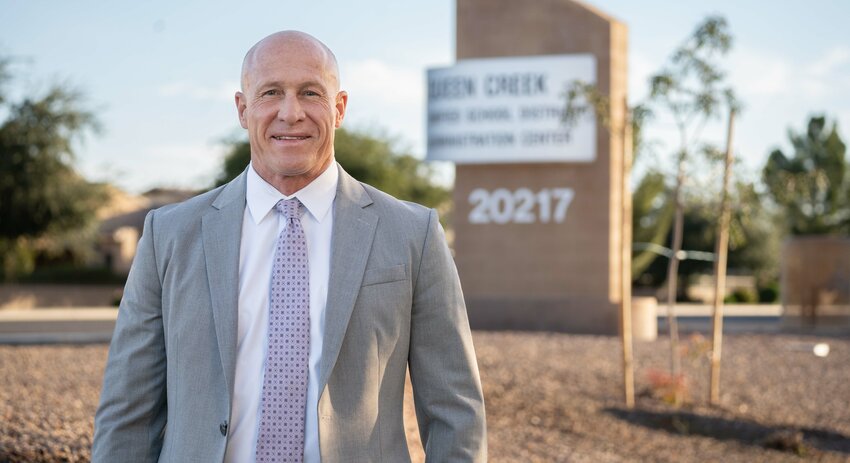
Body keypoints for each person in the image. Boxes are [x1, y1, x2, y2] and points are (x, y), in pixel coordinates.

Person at [92, 30, 486, 462]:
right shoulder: (168, 234)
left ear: (339, 109)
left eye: (310, 93)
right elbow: (128, 411)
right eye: (271, 93)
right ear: (243, 109)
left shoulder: (414, 233)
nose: (290, 112)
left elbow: (454, 410)